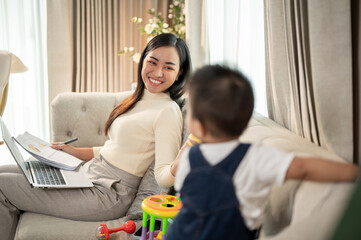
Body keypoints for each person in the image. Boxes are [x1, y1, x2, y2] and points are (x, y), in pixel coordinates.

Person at [0, 33, 192, 240]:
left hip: (108, 194)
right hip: (88, 174)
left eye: (168, 67)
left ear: (179, 72)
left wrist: (177, 165)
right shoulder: (138, 98)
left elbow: (163, 176)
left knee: (2, 185)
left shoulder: (168, 111)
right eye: (152, 62)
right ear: (143, 60)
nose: (157, 72)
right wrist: (73, 152)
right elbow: (117, 148)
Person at [166, 65, 359, 240]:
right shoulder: (256, 157)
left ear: (198, 126)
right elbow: (304, 167)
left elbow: (185, 196)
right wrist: (353, 172)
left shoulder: (191, 157)